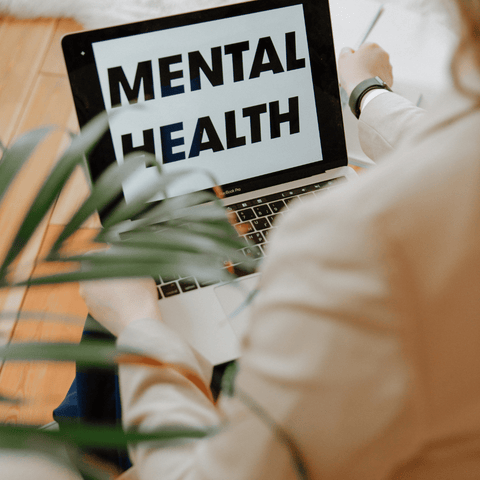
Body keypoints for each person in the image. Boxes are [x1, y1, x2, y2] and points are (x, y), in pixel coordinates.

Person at [7, 0, 480, 477]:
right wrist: (367, 93)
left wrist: (138, 327)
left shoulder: (343, 238)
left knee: (126, 295)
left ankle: (86, 446)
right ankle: (88, 437)